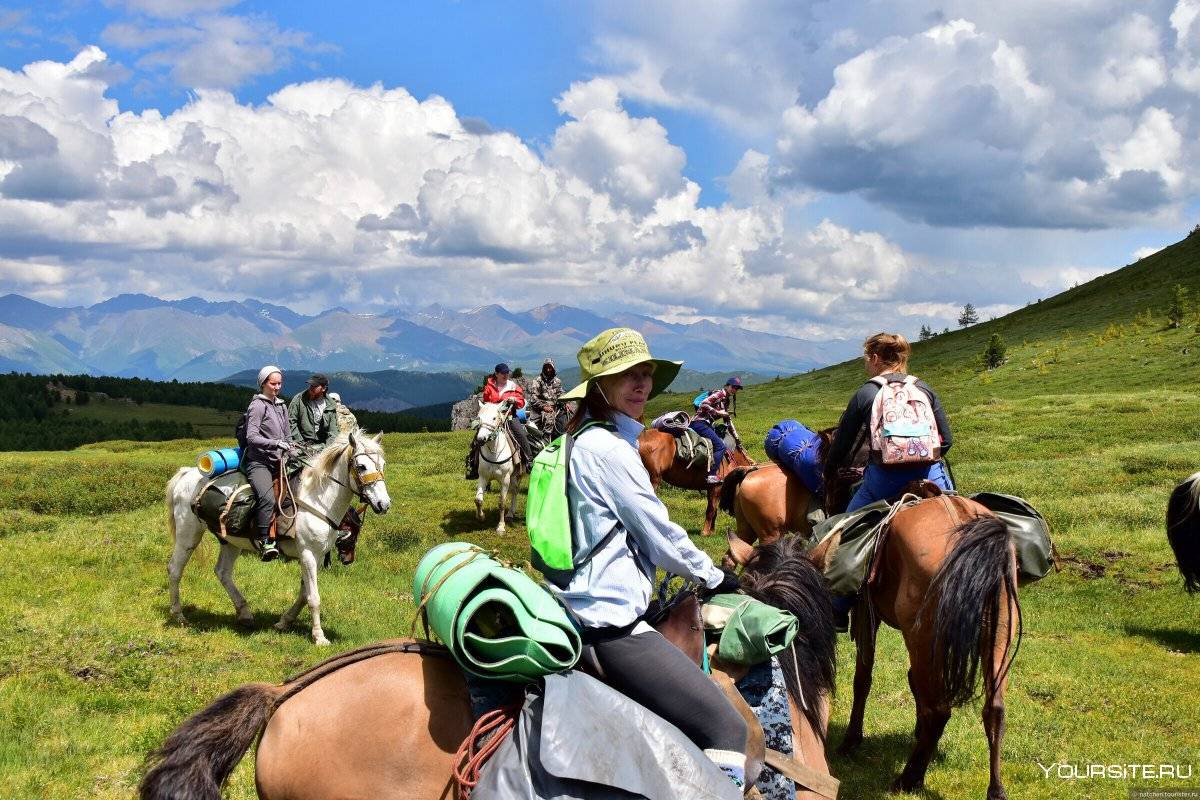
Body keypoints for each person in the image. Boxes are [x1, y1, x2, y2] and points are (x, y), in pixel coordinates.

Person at [556, 328, 749, 789]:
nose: (641, 384)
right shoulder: (609, 450)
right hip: (610, 622)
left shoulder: (582, 439)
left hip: (581, 601)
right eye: (627, 375)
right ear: (599, 385)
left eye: (645, 374)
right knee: (729, 729)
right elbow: (659, 535)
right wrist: (714, 574)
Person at [823, 332, 954, 629]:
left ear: (874, 358)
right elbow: (947, 441)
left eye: (866, 360)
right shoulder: (924, 388)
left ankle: (838, 608)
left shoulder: (866, 393)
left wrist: (830, 470)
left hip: (883, 481)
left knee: (844, 533)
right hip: (930, 475)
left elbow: (841, 446)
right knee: (961, 522)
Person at [242, 365, 297, 562]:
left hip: (280, 461)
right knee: (267, 499)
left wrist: (292, 448)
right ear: (263, 383)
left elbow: (287, 434)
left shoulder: (281, 405)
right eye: (273, 383)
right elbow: (251, 437)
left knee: (295, 495)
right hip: (259, 462)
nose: (276, 387)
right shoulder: (257, 406)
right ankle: (266, 542)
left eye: (279, 383)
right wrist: (275, 443)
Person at [690, 377, 743, 484]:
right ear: (727, 386)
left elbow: (728, 420)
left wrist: (737, 438)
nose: (735, 390)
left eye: (737, 388)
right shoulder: (719, 394)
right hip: (700, 423)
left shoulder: (726, 400)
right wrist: (718, 412)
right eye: (733, 387)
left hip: (707, 424)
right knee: (720, 446)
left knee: (721, 441)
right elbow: (704, 403)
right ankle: (712, 475)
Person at [481, 363, 532, 467]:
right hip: (493, 418)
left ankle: (529, 460)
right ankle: (474, 463)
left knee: (520, 434)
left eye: (507, 372)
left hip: (509, 416)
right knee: (479, 436)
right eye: (502, 373)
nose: (505, 375)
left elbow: (521, 402)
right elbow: (486, 402)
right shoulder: (489, 387)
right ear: (496, 374)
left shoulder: (513, 386)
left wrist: (515, 400)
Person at [288, 373, 339, 451]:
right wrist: (300, 442)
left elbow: (333, 431)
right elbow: (291, 422)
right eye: (310, 385)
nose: (311, 388)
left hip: (323, 445)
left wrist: (327, 448)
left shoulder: (330, 405)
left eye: (315, 386)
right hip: (302, 443)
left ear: (324, 388)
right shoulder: (299, 399)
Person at [530, 357, 565, 434]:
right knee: (549, 420)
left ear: (553, 368)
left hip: (556, 406)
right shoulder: (537, 381)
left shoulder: (557, 381)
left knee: (571, 414)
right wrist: (544, 407)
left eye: (550, 367)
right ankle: (546, 438)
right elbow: (533, 398)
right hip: (543, 407)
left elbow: (561, 393)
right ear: (543, 368)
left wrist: (566, 402)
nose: (548, 370)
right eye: (546, 368)